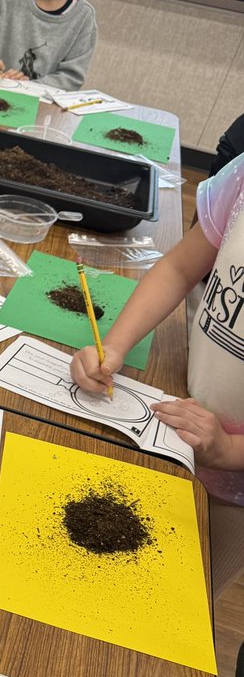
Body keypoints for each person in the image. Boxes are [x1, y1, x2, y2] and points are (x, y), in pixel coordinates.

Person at [69, 152, 244, 597]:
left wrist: (227, 450)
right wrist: (116, 345)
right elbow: (178, 267)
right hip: (178, 424)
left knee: (182, 597)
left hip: (234, 488)